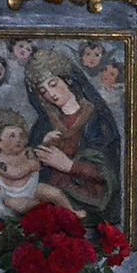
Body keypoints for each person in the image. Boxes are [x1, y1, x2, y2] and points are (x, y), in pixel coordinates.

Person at [23, 48, 121, 225]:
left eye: (53, 84)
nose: (51, 95)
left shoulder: (96, 120)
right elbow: (28, 167)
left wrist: (68, 165)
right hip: (49, 204)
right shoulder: (44, 124)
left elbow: (108, 174)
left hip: (87, 204)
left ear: (68, 81)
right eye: (43, 91)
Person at [0, 108, 84, 218]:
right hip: (12, 195)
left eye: (20, 135)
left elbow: (37, 155)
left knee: (54, 193)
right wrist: (29, 167)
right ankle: (53, 212)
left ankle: (72, 212)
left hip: (31, 188)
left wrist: (46, 142)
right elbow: (14, 173)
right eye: (12, 136)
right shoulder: (0, 161)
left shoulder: (26, 152)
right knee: (23, 205)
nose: (18, 139)